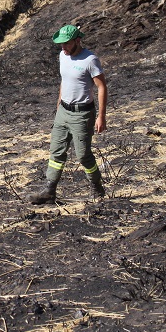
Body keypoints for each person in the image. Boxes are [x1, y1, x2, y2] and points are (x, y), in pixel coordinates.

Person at [26, 25, 108, 204]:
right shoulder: (63, 56)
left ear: (77, 41)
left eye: (66, 44)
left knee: (83, 155)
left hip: (82, 114)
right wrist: (58, 106)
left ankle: (97, 188)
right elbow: (64, 82)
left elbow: (101, 87)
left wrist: (101, 116)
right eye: (60, 44)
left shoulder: (90, 60)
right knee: (56, 152)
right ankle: (49, 190)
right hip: (63, 111)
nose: (63, 47)